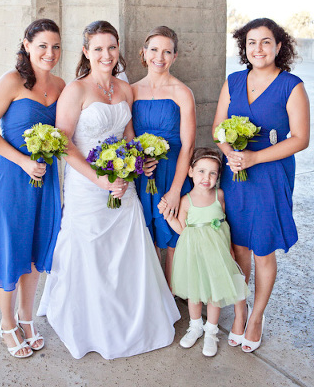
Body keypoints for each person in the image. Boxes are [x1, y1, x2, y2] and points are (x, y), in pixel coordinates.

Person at [37, 20, 179, 359]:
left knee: (125, 248)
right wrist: (99, 179)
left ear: (119, 51)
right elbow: (64, 143)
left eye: (111, 48)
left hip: (123, 183)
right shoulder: (76, 90)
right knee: (91, 249)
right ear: (86, 52)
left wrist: (139, 163)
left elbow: (128, 137)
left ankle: (131, 314)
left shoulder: (124, 89)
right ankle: (91, 322)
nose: (106, 55)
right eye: (98, 48)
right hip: (88, 186)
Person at [0, 19, 65, 358]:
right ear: (26, 45)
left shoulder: (62, 86)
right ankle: (7, 323)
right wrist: (22, 161)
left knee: (36, 251)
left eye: (55, 46)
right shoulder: (12, 81)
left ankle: (27, 318)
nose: (49, 53)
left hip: (45, 180)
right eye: (42, 46)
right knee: (10, 248)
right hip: (11, 177)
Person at [212, 17, 309, 353]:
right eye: (252, 42)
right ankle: (240, 311)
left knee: (263, 249)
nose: (258, 49)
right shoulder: (234, 81)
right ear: (244, 47)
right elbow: (218, 129)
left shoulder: (291, 85)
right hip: (236, 173)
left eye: (266, 42)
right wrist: (230, 153)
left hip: (270, 176)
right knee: (238, 248)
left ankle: (257, 317)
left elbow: (300, 139)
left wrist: (254, 158)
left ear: (279, 46)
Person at [160, 148, 248, 357]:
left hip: (217, 255)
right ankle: (196, 326)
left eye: (212, 173)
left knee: (214, 295)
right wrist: (168, 216)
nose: (206, 178)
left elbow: (226, 225)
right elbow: (183, 229)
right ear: (190, 171)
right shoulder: (186, 200)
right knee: (195, 294)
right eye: (201, 171)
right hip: (194, 255)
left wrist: (229, 251)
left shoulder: (219, 196)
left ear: (218, 176)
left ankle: (211, 331)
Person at [132, 26, 195, 286]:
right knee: (145, 233)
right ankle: (152, 296)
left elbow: (189, 146)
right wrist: (138, 162)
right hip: (142, 173)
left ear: (175, 56)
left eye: (167, 51)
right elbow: (127, 136)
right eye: (154, 50)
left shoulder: (182, 92)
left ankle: (171, 294)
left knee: (171, 236)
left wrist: (175, 190)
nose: (160, 56)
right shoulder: (131, 90)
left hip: (172, 173)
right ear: (144, 53)